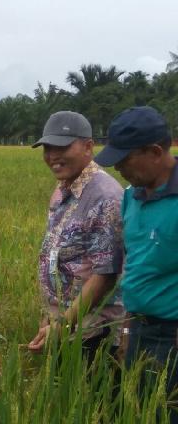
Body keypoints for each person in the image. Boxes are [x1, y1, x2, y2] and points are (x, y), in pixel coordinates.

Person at [94, 106, 178, 423]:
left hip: (172, 333)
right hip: (139, 328)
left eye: (125, 159)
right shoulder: (131, 196)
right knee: (137, 412)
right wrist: (127, 328)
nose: (118, 168)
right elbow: (135, 266)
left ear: (155, 151)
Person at [27, 111, 125, 363]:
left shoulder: (105, 196)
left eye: (62, 146)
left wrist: (62, 325)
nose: (52, 156)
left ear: (88, 146)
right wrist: (51, 317)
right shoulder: (63, 190)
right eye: (47, 148)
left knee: (90, 398)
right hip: (64, 324)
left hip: (94, 331)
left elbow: (104, 275)